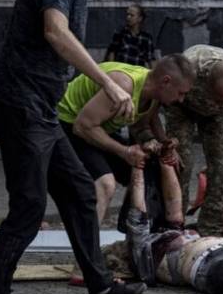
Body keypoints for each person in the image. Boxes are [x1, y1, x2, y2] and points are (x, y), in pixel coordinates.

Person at [0, 0, 147, 294]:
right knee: (29, 205)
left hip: (36, 110)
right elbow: (55, 33)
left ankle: (101, 285)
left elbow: (47, 55)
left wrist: (8, 113)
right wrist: (107, 83)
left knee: (78, 190)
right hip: (24, 106)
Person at [56, 55, 192, 227]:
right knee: (105, 184)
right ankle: (88, 250)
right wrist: (124, 151)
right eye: (181, 93)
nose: (181, 100)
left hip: (95, 127)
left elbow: (143, 123)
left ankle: (139, 234)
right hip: (67, 124)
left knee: (148, 169)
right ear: (166, 81)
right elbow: (82, 127)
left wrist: (164, 143)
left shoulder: (154, 93)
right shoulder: (125, 85)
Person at [166, 45, 223, 238]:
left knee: (222, 167)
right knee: (180, 163)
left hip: (215, 116)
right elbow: (162, 94)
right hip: (181, 106)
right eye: (220, 100)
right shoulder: (189, 69)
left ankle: (212, 230)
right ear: (206, 83)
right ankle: (173, 224)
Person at [104, 2, 158, 68]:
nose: (128, 17)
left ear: (140, 18)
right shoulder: (120, 33)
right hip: (121, 70)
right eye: (127, 14)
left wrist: (155, 74)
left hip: (136, 72)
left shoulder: (146, 38)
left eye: (132, 15)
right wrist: (111, 68)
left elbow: (151, 59)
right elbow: (112, 52)